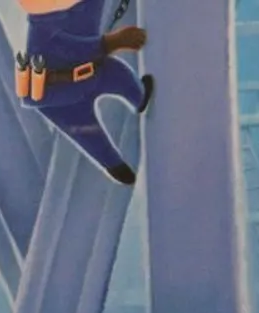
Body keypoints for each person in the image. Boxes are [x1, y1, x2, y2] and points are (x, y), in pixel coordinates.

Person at [14, 0, 155, 185]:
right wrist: (111, 43)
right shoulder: (44, 24)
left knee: (122, 77)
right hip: (58, 94)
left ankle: (140, 97)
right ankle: (115, 166)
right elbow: (70, 49)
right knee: (89, 135)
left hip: (95, 71)